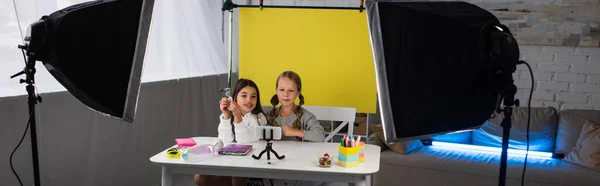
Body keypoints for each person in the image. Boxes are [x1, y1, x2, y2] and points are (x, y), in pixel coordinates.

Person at [194, 78, 267, 186]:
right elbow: (225, 140)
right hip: (229, 159)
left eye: (253, 96)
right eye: (244, 95)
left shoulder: (259, 118)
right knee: (199, 178)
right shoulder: (228, 115)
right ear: (234, 98)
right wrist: (226, 115)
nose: (249, 100)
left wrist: (238, 118)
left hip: (250, 161)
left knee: (237, 175)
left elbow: (244, 141)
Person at [266, 71, 325, 142]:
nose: (286, 94)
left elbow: (320, 136)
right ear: (276, 91)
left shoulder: (306, 116)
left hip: (299, 153)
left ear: (298, 93)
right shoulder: (268, 116)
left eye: (291, 90)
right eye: (282, 90)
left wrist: (295, 132)